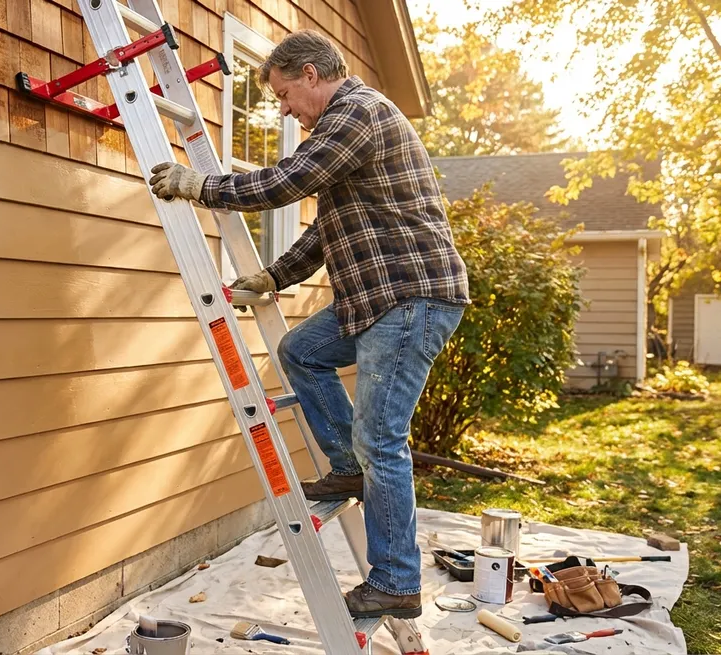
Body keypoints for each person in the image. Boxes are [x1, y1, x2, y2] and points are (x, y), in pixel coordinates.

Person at [147, 29, 468, 620]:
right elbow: (326, 230)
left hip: (410, 297)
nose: (285, 109)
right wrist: (273, 277)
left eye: (284, 94)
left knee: (382, 439)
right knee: (302, 350)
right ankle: (347, 469)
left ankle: (397, 581)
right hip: (376, 300)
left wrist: (199, 186)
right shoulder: (342, 132)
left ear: (311, 75)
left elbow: (284, 183)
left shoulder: (358, 112)